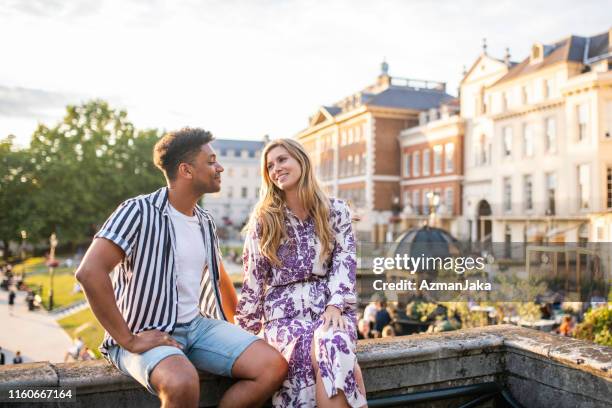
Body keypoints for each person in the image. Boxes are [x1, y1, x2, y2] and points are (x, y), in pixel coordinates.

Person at [75, 128, 287, 408]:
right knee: (182, 382)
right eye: (211, 161)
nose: (219, 167)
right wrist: (128, 340)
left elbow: (219, 279)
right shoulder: (137, 211)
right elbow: (90, 273)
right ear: (186, 170)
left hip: (197, 327)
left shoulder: (205, 221)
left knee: (272, 365)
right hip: (144, 330)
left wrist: (241, 330)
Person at [236, 138, 367, 408]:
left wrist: (336, 306)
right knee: (311, 352)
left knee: (334, 344)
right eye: (270, 166)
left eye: (282, 160)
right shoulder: (264, 220)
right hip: (283, 316)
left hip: (330, 309)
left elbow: (345, 261)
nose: (276, 168)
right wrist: (240, 338)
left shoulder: (336, 211)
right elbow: (253, 282)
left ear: (301, 161)